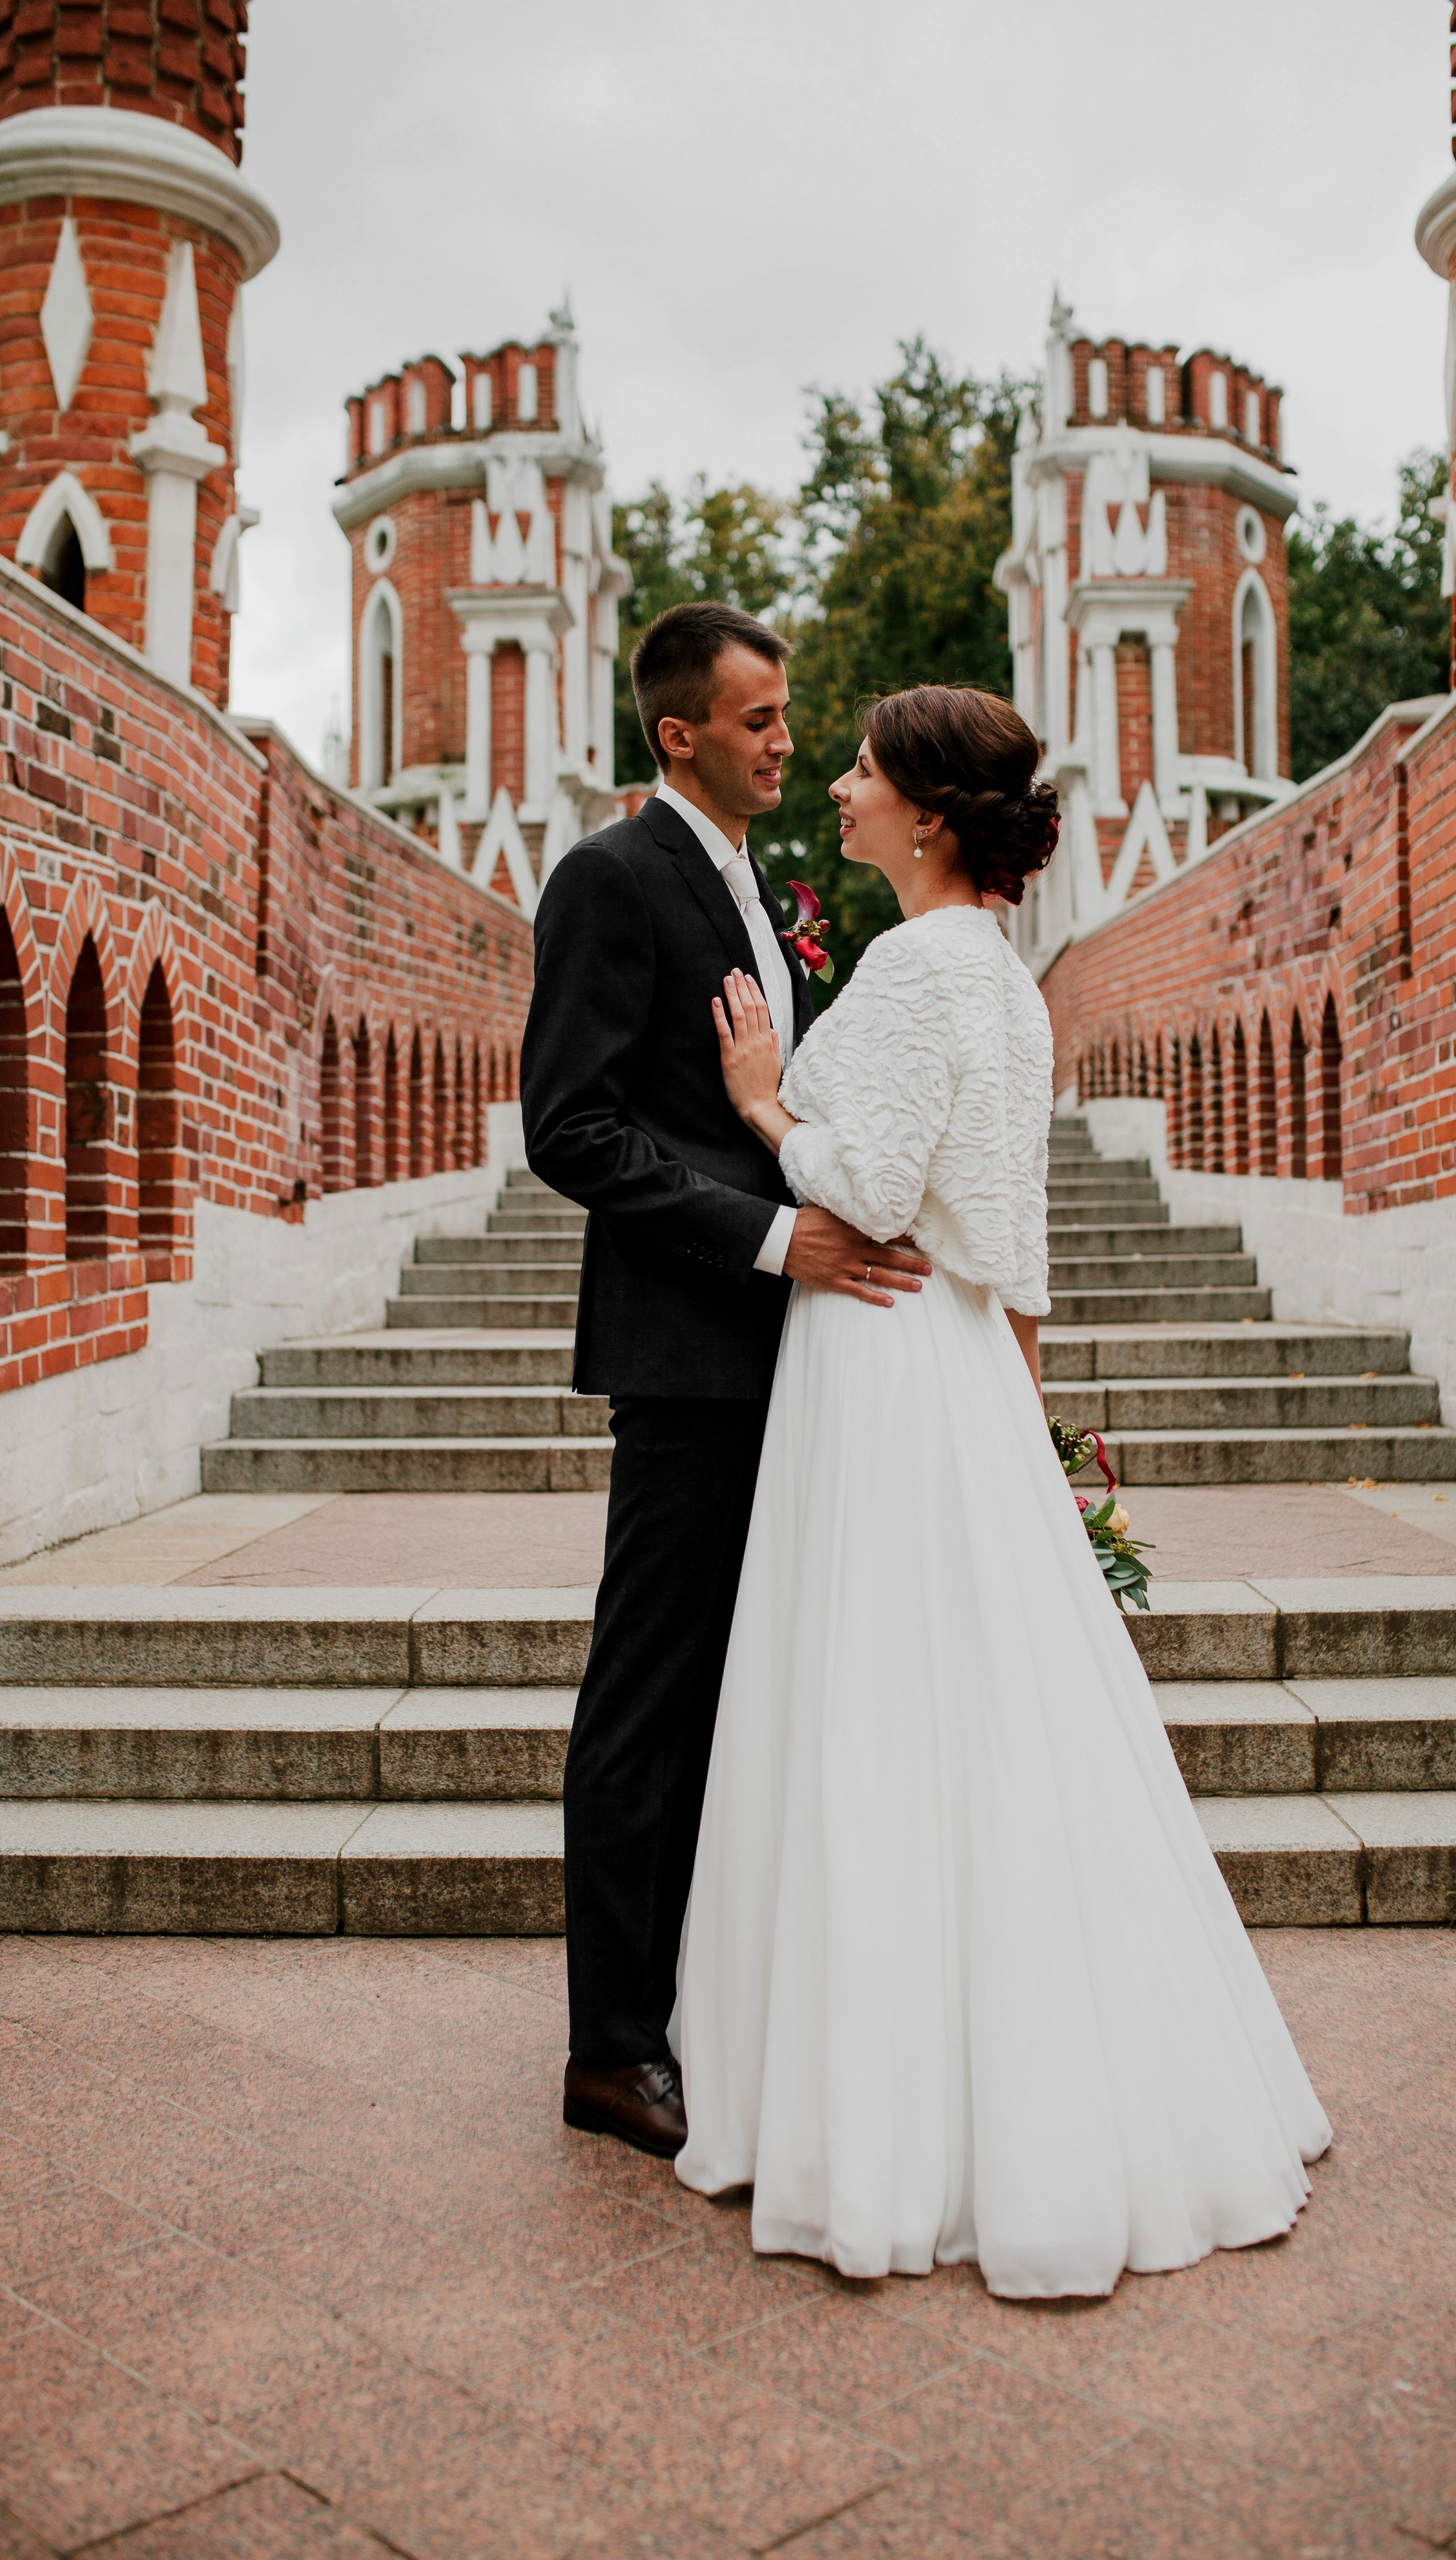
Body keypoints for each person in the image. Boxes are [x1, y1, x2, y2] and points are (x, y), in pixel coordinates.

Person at [674, 683, 1332, 2300]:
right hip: (961, 1359)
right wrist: (1021, 1408)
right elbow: (1012, 1238)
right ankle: (1044, 2080)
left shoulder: (910, 966)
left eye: (862, 771)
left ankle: (879, 2113)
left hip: (882, 1362)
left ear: (928, 812)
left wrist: (763, 1101)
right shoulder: (1013, 984)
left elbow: (873, 1184)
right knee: (993, 1711)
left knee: (877, 1709)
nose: (834, 786)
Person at [519, 601, 930, 2161]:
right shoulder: (609, 878)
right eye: (758, 721)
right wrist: (772, 1241)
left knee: (746, 1693)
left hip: (792, 1358)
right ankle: (610, 2049)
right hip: (694, 1356)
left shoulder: (768, 889)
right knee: (651, 1695)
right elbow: (571, 1129)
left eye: (786, 716)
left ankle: (697, 1994)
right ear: (677, 732)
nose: (785, 743)